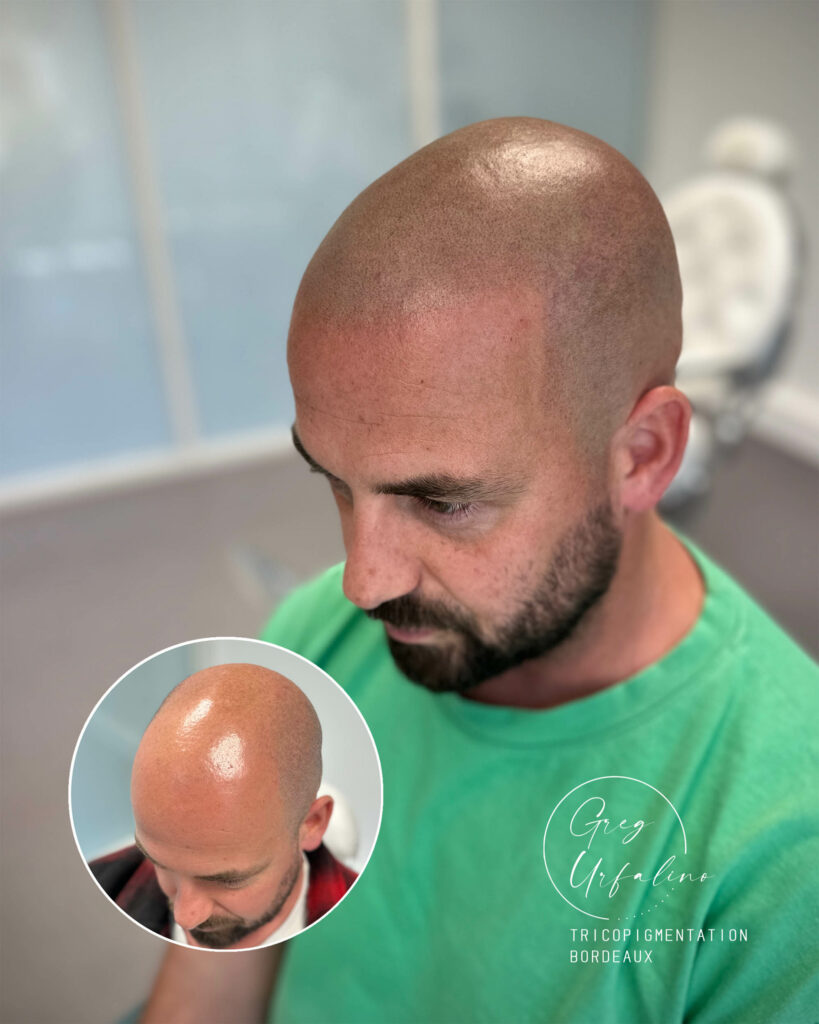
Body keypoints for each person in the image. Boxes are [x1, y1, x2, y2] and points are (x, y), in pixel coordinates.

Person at [143, 118, 818, 1021]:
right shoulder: (312, 642)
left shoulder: (783, 850)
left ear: (643, 455)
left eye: (442, 502)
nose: (361, 584)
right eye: (335, 482)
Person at [90, 663, 356, 951]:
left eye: (228, 881)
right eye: (160, 864)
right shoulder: (103, 890)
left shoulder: (371, 934)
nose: (185, 916)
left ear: (313, 823)